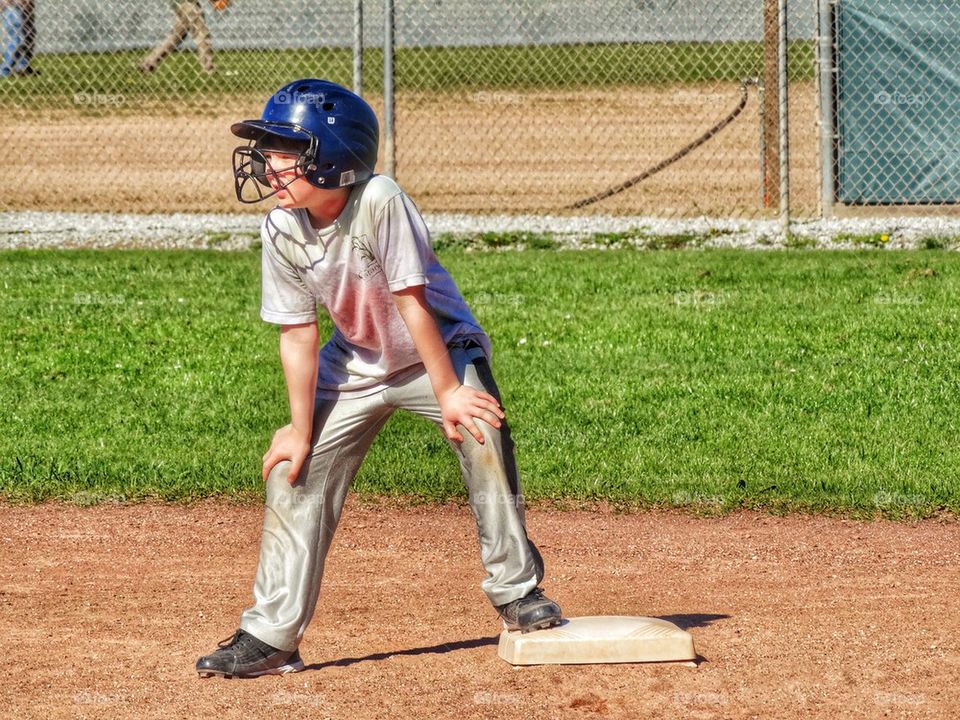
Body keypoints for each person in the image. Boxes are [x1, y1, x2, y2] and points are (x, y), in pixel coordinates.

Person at [194, 78, 562, 679]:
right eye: (267, 149)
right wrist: (298, 426)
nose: (267, 162)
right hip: (357, 362)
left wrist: (449, 392)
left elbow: (412, 301)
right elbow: (297, 333)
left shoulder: (379, 198)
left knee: (480, 430)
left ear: (333, 158)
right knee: (295, 471)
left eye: (284, 149)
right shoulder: (281, 227)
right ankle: (271, 635)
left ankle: (517, 592)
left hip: (437, 351)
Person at [140, 0, 228, 75]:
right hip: (188, 4)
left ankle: (149, 63)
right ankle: (208, 69)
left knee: (176, 37)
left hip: (180, 3)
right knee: (202, 34)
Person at [1, 0, 36, 77]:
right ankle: (5, 69)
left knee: (27, 39)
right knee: (16, 39)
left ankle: (21, 66)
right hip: (13, 9)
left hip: (22, 10)